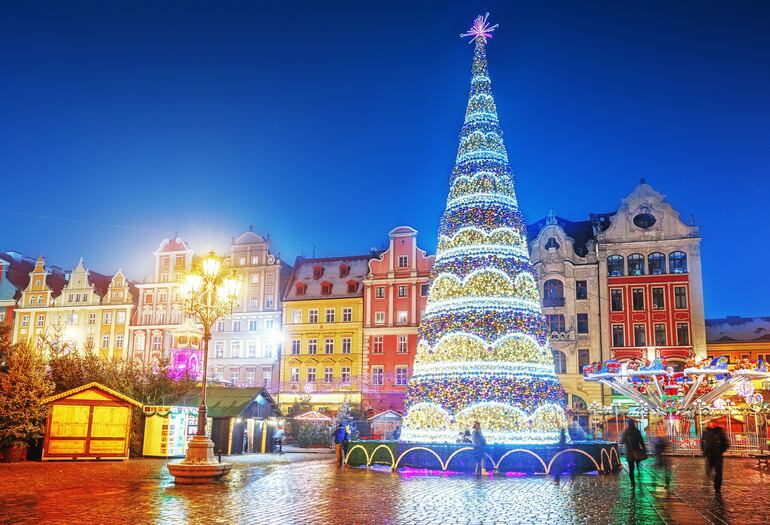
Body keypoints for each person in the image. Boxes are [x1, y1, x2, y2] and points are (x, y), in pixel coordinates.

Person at [701, 420, 730, 492]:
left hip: (718, 455)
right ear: (709, 424)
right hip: (708, 455)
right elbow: (702, 442)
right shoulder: (706, 432)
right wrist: (704, 450)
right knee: (708, 472)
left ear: (717, 424)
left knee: (718, 472)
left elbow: (726, 444)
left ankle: (717, 487)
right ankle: (713, 480)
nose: (713, 424)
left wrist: (720, 451)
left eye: (714, 423)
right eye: (711, 423)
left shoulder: (721, 433)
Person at [620, 419, 646, 490]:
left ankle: (632, 483)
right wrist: (644, 449)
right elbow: (641, 441)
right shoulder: (637, 431)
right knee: (637, 463)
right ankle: (638, 470)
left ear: (627, 424)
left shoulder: (625, 432)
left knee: (631, 469)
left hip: (629, 452)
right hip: (637, 451)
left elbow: (621, 441)